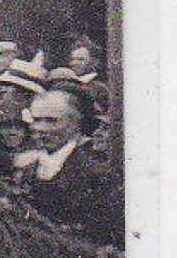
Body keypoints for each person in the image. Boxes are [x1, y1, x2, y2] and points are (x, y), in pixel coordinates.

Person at [15, 87, 120, 246]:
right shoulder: (28, 169)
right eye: (37, 120)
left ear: (75, 123)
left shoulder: (94, 170)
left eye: (52, 120)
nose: (41, 128)